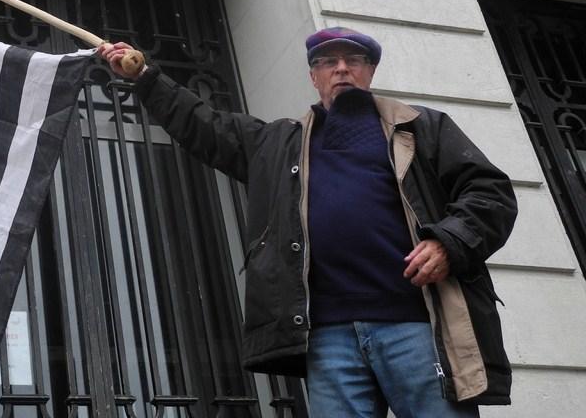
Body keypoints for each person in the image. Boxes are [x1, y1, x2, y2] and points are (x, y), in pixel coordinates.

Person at [99, 27, 517, 418]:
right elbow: (205, 125)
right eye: (327, 62)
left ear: (369, 71)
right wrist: (147, 78)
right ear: (313, 77)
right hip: (327, 338)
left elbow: (490, 193)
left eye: (353, 59)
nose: (341, 69)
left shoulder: (422, 127)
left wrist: (448, 243)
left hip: (416, 326)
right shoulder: (277, 144)